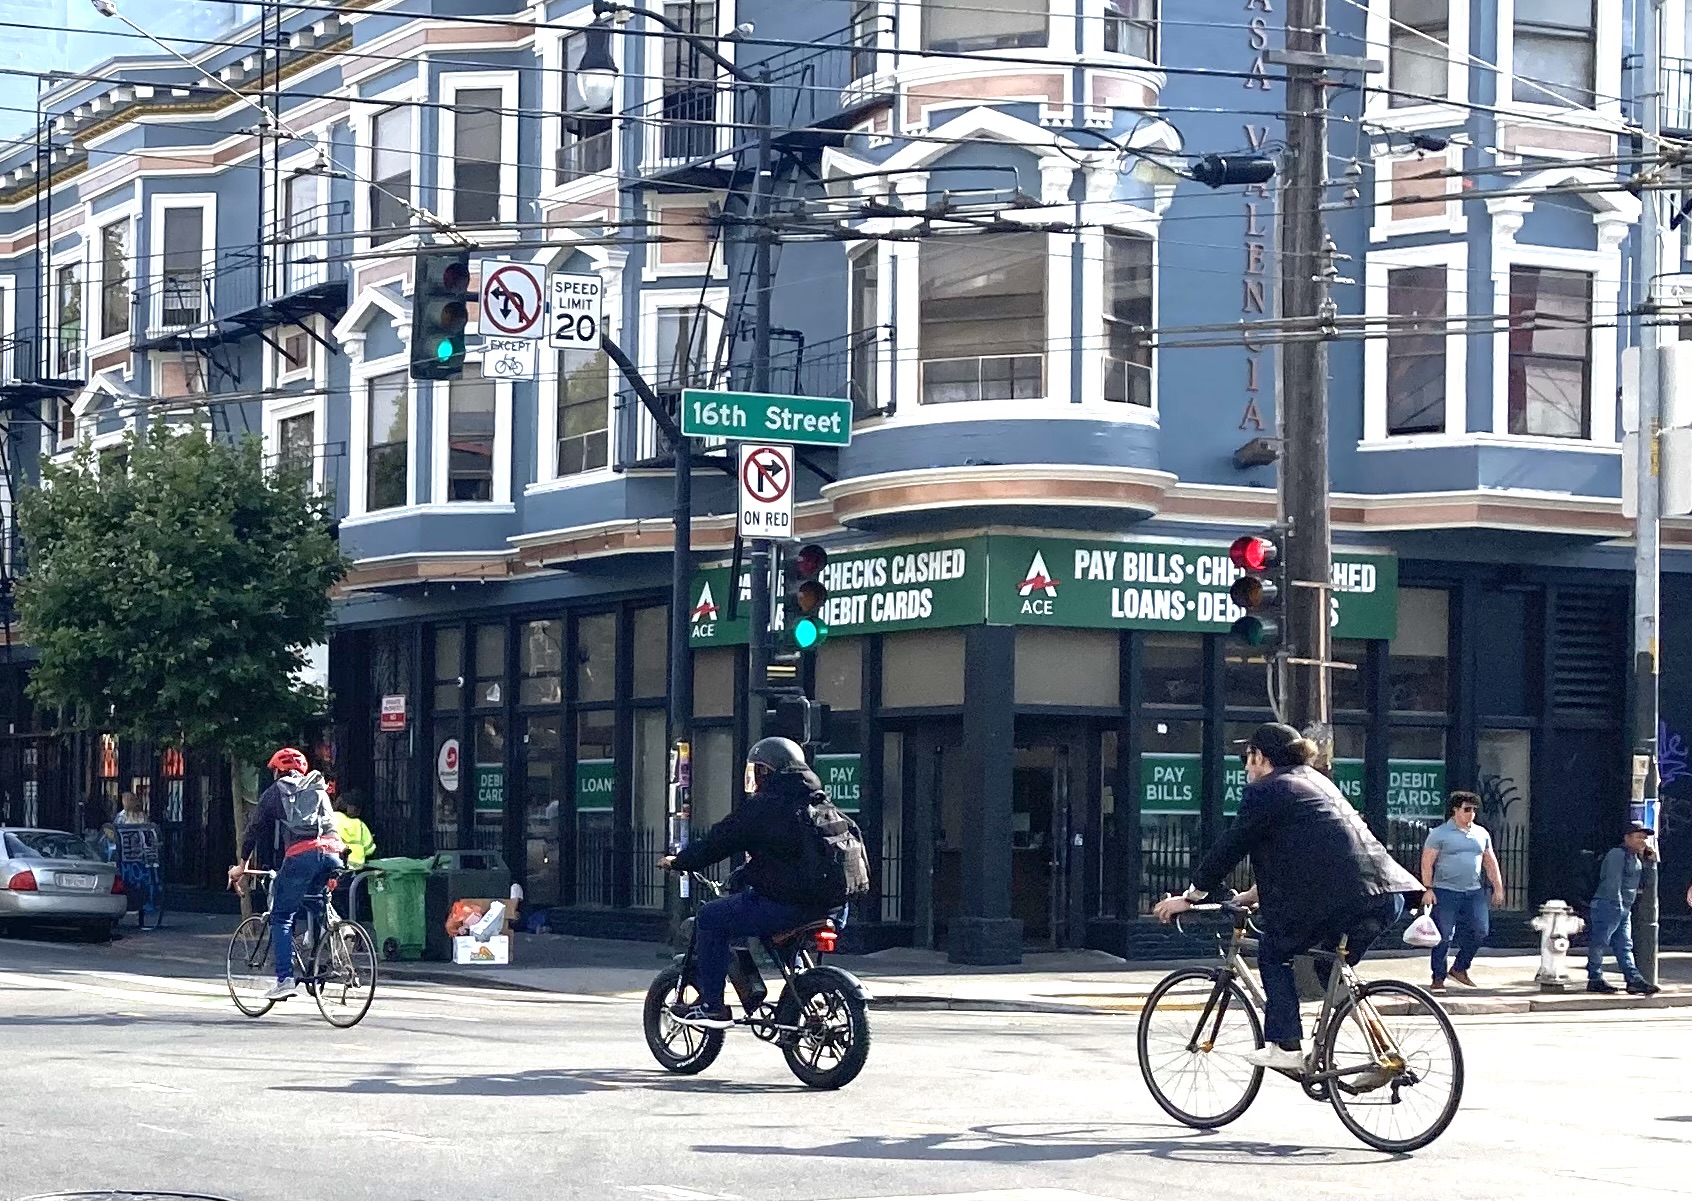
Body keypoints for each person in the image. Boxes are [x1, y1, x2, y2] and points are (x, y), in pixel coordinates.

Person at [1153, 723, 1421, 1071]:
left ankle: (1286, 1045)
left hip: (1340, 898)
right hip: (1387, 895)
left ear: (1260, 757)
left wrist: (1191, 897)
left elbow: (1230, 847)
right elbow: (1314, 852)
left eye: (1246, 759)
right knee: (1331, 971)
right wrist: (1253, 894)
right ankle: (1384, 1056)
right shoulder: (1316, 781)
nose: (1245, 768)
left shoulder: (1267, 791)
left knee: (1273, 950)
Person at [658, 737, 843, 1029]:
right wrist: (745, 875)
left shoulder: (765, 806)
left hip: (788, 906)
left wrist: (680, 861)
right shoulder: (819, 802)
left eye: (757, 771)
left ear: (767, 772)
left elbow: (717, 841)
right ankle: (804, 995)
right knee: (779, 935)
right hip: (831, 907)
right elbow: (787, 857)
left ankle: (712, 1007)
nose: (754, 779)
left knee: (710, 918)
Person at [228, 747, 345, 1001]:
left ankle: (284, 980)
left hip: (302, 855)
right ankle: (334, 937)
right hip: (333, 853)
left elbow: (254, 829)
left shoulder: (277, 791)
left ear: (277, 772)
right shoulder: (317, 788)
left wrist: (242, 865)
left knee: (281, 916)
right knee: (315, 900)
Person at [1419, 790, 1505, 991]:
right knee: (1444, 935)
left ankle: (1460, 967)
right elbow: (1427, 862)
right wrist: (1428, 888)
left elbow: (1490, 861)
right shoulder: (1439, 834)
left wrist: (1498, 888)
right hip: (1445, 890)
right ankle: (1438, 977)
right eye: (1467, 810)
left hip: (1473, 891)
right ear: (1455, 810)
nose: (1471, 814)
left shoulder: (1481, 834)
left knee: (1480, 930)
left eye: (1474, 810)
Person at [1586, 822, 1661, 996]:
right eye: (1638, 837)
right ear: (1627, 838)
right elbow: (1613, 883)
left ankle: (1633, 980)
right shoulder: (1617, 854)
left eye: (1644, 838)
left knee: (1624, 945)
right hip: (1609, 904)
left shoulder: (1636, 858)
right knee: (1600, 942)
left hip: (1623, 907)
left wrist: (1651, 862)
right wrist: (1617, 907)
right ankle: (1595, 978)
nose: (1642, 841)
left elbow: (1647, 883)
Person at [333, 792, 377, 870]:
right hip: (358, 864)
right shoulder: (360, 824)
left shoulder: (333, 817)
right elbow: (370, 849)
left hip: (339, 861)